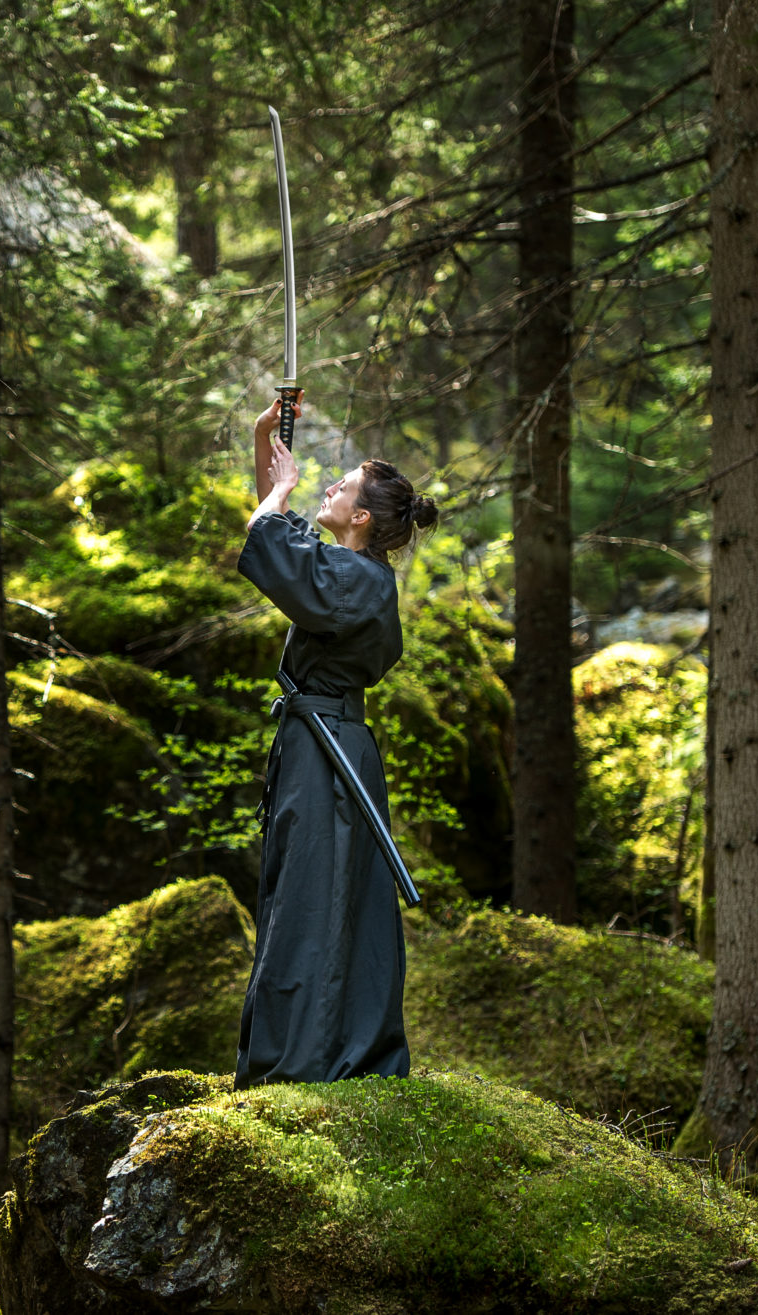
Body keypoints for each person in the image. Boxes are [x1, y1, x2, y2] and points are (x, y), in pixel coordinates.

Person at [234, 395, 437, 1088]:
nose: (329, 486)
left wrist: (282, 492)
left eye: (341, 486)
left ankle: (311, 1058)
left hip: (330, 758)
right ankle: (306, 1050)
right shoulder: (347, 574)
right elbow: (272, 528)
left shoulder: (355, 580)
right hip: (322, 748)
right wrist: (266, 438)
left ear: (362, 518)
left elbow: (267, 542)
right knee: (305, 893)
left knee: (317, 900)